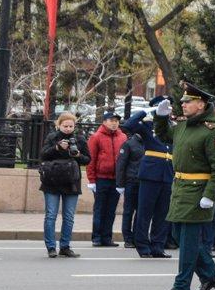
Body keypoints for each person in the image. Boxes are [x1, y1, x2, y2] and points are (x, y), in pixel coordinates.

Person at [154, 83, 215, 290]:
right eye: (183, 102)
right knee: (179, 235)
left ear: (201, 104)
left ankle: (181, 287)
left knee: (187, 242)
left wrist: (210, 195)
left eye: (188, 102)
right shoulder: (184, 126)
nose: (183, 105)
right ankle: (209, 275)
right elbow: (165, 136)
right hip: (180, 189)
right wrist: (160, 118)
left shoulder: (212, 131)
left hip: (198, 192)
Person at [121, 102, 173, 259]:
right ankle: (143, 246)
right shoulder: (147, 125)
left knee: (163, 213)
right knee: (145, 212)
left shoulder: (172, 127)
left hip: (168, 174)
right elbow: (127, 126)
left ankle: (158, 246)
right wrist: (144, 111)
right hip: (150, 174)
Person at [40, 112, 91, 258]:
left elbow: (88, 160)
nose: (68, 128)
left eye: (71, 126)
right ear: (59, 125)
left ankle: (65, 246)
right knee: (51, 215)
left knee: (69, 216)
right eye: (65, 126)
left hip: (71, 182)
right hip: (52, 181)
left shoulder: (79, 139)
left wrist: (78, 156)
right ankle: (51, 247)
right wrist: (56, 148)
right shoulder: (52, 137)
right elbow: (43, 155)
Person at [86, 110, 126, 247]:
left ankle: (107, 237)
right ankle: (96, 237)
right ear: (104, 122)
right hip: (101, 178)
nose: (114, 123)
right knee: (100, 208)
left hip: (116, 179)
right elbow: (91, 159)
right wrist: (91, 180)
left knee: (111, 210)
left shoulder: (122, 137)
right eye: (111, 120)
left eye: (116, 121)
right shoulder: (96, 137)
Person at [115, 125, 144, 249]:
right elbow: (121, 165)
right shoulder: (129, 144)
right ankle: (127, 238)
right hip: (131, 181)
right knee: (128, 211)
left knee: (141, 211)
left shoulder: (149, 143)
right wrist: (120, 184)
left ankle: (137, 237)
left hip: (144, 182)